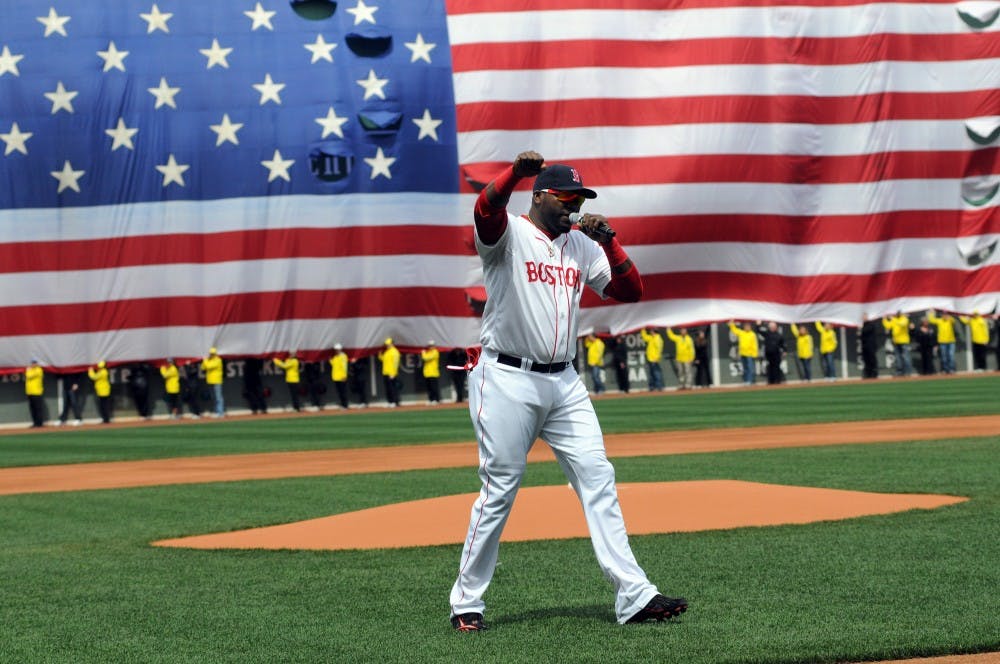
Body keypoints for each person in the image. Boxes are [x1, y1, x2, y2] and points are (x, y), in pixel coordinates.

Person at [448, 152, 686, 633]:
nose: (574, 205)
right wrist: (516, 171)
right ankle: (466, 602)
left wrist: (611, 243)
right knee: (499, 491)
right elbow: (483, 212)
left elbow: (629, 292)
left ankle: (635, 597)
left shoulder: (581, 246)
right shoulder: (510, 234)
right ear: (539, 197)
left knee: (598, 476)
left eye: (580, 198)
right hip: (507, 377)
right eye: (565, 197)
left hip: (564, 381)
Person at [882, 312, 913, 377]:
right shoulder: (894, 319)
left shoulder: (904, 318)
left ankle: (908, 372)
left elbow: (902, 324)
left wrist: (893, 319)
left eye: (898, 313)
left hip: (904, 341)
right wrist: (884, 319)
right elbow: (888, 326)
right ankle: (900, 372)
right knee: (898, 358)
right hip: (896, 341)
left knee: (906, 357)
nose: (896, 314)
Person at [728, 321, 758, 386]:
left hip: (750, 354)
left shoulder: (752, 334)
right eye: (746, 326)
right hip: (743, 353)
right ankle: (746, 380)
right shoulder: (741, 332)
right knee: (745, 368)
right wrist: (732, 324)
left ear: (750, 327)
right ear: (744, 327)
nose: (747, 327)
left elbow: (755, 344)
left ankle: (750, 380)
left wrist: (755, 354)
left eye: (748, 326)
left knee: (750, 368)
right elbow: (734, 330)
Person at [201, 347, 225, 417]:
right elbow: (203, 367)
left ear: (215, 354)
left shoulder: (218, 360)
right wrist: (205, 361)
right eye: (210, 354)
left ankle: (220, 412)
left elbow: (208, 366)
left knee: (218, 397)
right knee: (213, 397)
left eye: (212, 354)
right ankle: (216, 411)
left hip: (217, 381)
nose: (211, 355)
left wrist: (205, 360)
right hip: (210, 380)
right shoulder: (208, 360)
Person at [378, 337, 401, 407]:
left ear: (392, 344)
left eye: (388, 344)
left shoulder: (395, 352)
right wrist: (379, 355)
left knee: (393, 389)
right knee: (388, 389)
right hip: (385, 373)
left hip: (391, 373)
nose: (387, 345)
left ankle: (395, 402)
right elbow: (383, 360)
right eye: (386, 344)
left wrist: (393, 373)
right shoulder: (387, 352)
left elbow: (396, 364)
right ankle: (390, 401)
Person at [25, 359, 45, 427]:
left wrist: (29, 370)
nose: (33, 364)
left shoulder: (38, 370)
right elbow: (27, 375)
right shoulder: (30, 370)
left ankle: (39, 423)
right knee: (32, 408)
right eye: (32, 363)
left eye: (34, 363)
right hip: (30, 392)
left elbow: (29, 375)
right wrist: (29, 370)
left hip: (37, 392)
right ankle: (35, 423)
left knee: (38, 408)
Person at [859, 314, 880, 379]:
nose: (863, 318)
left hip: (871, 345)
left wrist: (861, 328)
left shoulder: (871, 324)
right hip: (865, 346)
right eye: (863, 317)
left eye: (864, 317)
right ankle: (868, 374)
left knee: (872, 359)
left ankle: (874, 373)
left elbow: (865, 331)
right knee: (866, 360)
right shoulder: (864, 325)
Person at [330, 344, 350, 408]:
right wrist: (330, 360)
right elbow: (334, 364)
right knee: (339, 392)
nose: (336, 351)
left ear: (340, 349)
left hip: (341, 377)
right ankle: (342, 404)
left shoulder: (343, 356)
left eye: (337, 349)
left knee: (343, 391)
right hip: (336, 377)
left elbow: (344, 367)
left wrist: (344, 375)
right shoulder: (335, 357)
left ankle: (345, 405)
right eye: (335, 350)